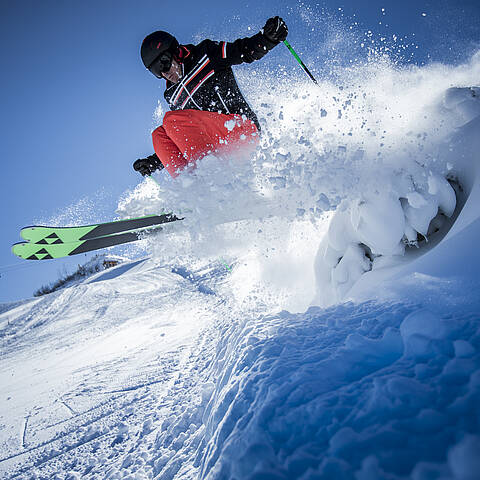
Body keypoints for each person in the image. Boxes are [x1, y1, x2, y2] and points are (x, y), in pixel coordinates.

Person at [133, 16, 288, 179]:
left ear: (176, 52)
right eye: (156, 71)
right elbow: (184, 137)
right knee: (159, 135)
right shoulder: (172, 94)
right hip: (215, 145)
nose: (164, 72)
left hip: (241, 129)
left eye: (164, 62)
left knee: (171, 121)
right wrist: (155, 162)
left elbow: (243, 51)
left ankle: (208, 180)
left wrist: (268, 39)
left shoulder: (206, 54)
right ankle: (191, 190)